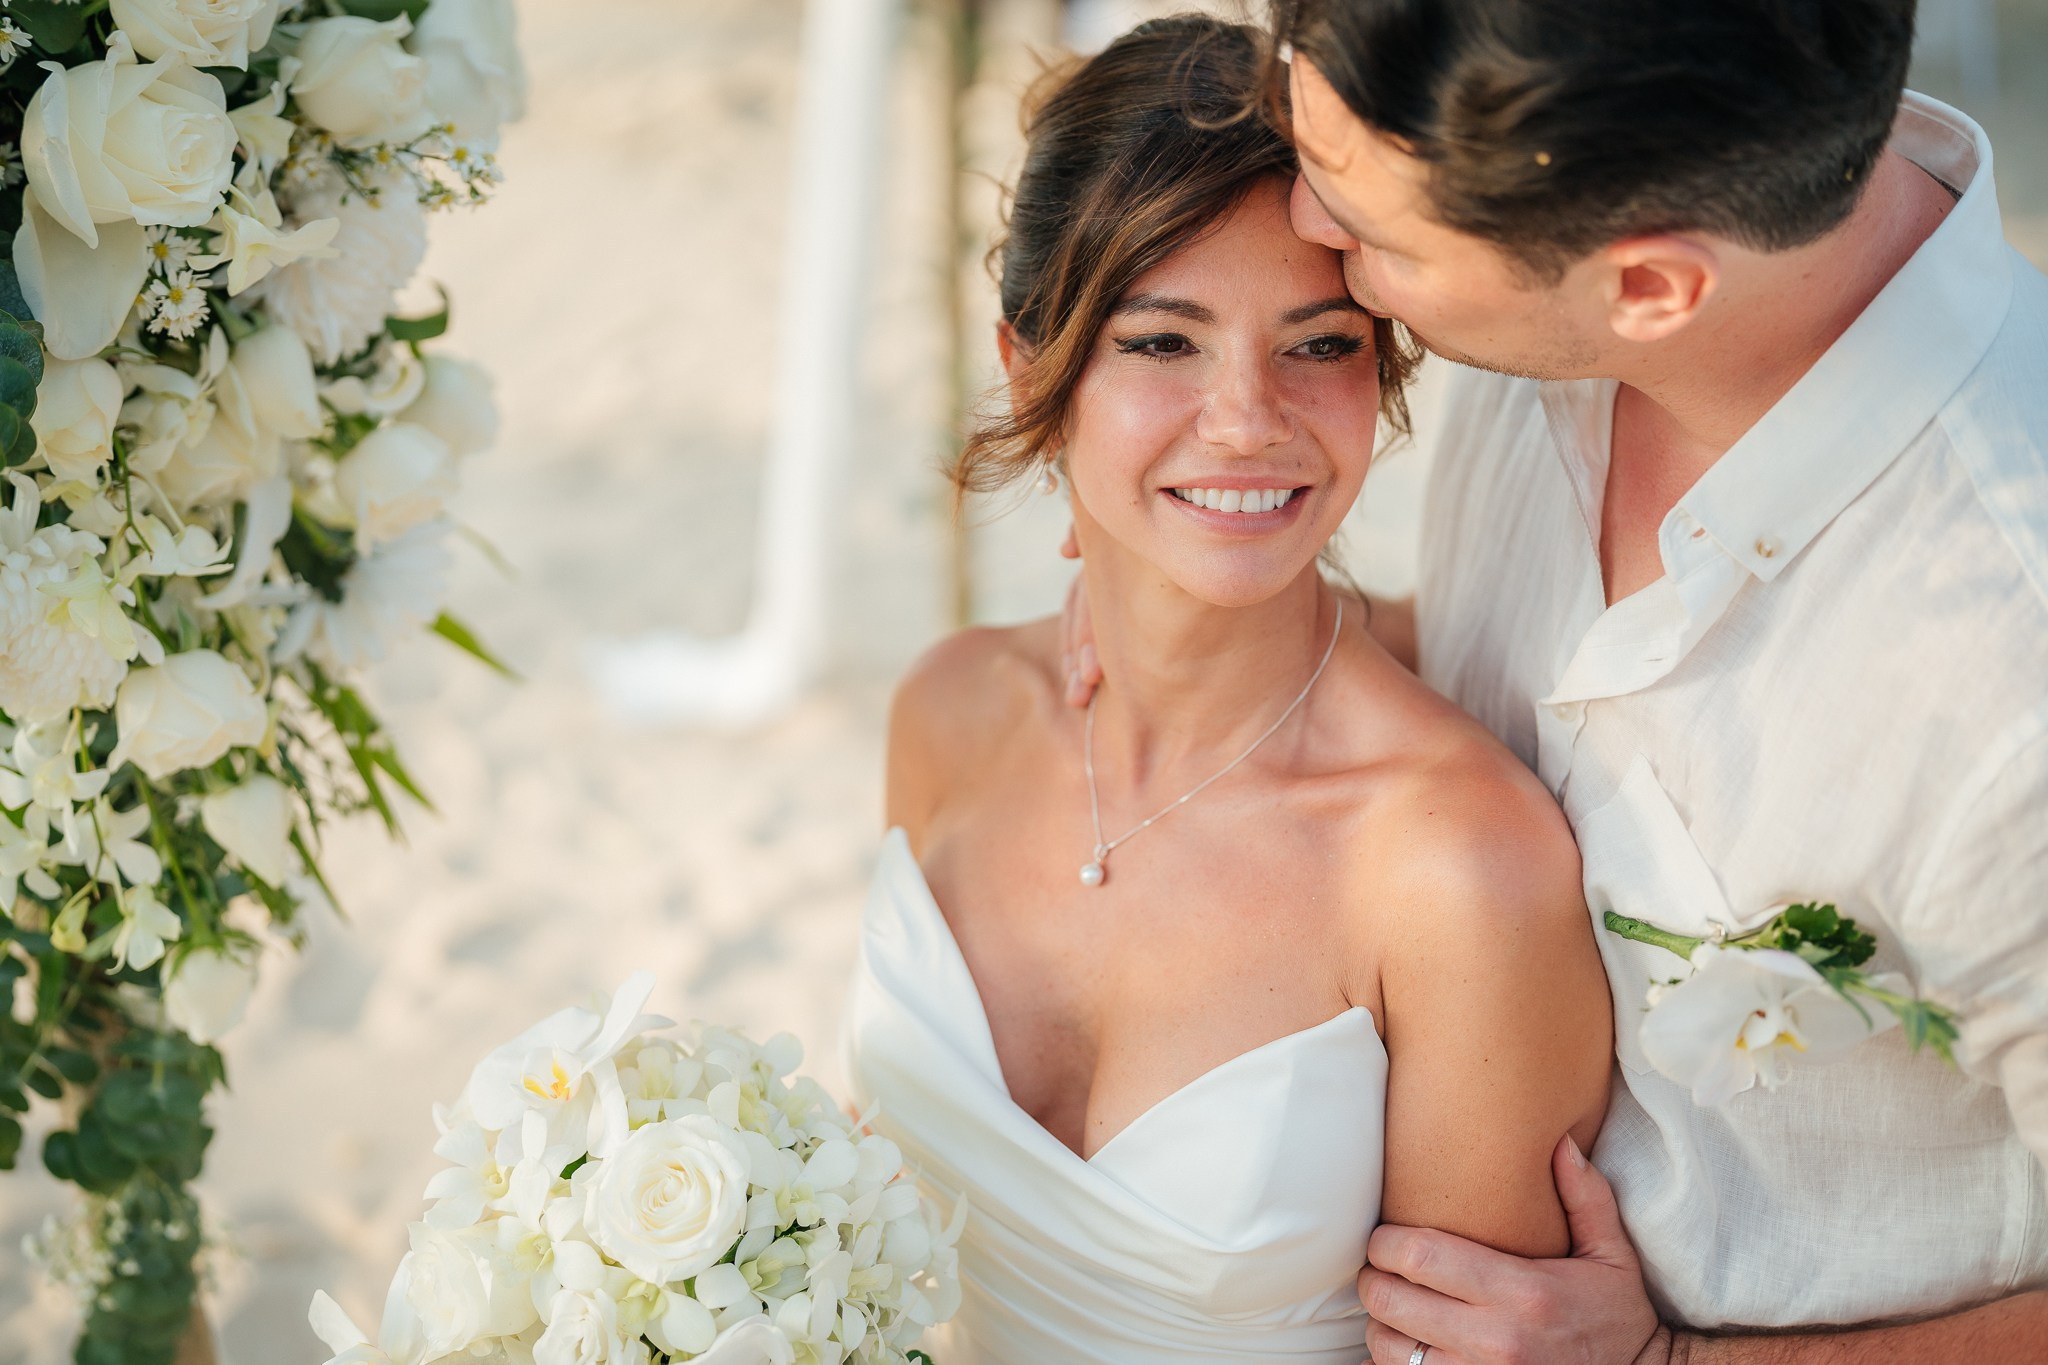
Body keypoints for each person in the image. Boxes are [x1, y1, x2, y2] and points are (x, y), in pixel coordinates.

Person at [1069, 0, 2048, 1359]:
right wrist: (1186, 614)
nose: (1312, 223)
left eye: (1379, 229)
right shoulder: (1553, 284)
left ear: (1648, 287)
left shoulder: (2012, 678)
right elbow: (1533, 665)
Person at [842, 17, 1611, 1363]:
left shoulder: (1454, 865)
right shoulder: (948, 710)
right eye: (1163, 343)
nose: (1249, 417)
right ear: (1035, 361)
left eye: (1320, 345)